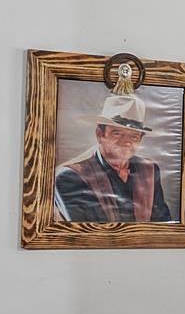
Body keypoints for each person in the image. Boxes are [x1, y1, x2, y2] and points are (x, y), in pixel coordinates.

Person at [54, 90, 175, 223]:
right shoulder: (69, 177)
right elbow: (88, 236)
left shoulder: (150, 170)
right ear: (100, 134)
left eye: (134, 136)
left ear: (140, 140)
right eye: (117, 133)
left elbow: (163, 224)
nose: (126, 141)